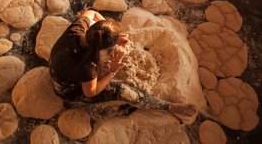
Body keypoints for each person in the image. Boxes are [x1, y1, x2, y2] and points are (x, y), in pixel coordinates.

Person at [49, 9, 197, 117]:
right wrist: (112, 71)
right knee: (122, 91)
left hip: (60, 63)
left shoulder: (78, 28)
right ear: (101, 50)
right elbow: (90, 92)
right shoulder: (88, 66)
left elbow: (92, 13)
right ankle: (168, 107)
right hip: (66, 88)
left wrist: (114, 36)